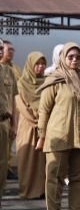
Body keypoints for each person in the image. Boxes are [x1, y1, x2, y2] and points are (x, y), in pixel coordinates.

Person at [36, 42, 80, 210]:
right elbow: (44, 111)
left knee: (79, 179)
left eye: (78, 57)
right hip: (59, 136)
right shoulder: (55, 80)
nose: (74, 60)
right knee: (54, 177)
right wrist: (42, 135)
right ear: (63, 58)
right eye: (70, 57)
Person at [15, 52, 46, 199]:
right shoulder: (21, 84)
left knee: (42, 161)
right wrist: (37, 120)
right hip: (28, 126)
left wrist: (43, 122)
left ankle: (41, 190)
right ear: (30, 65)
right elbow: (21, 106)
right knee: (27, 159)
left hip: (43, 127)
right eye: (37, 64)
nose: (40, 67)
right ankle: (27, 190)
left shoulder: (47, 83)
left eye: (42, 64)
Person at [0, 45, 18, 210]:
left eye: (0, 48)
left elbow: (13, 99)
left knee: (2, 167)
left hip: (4, 123)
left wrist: (14, 125)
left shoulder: (8, 71)